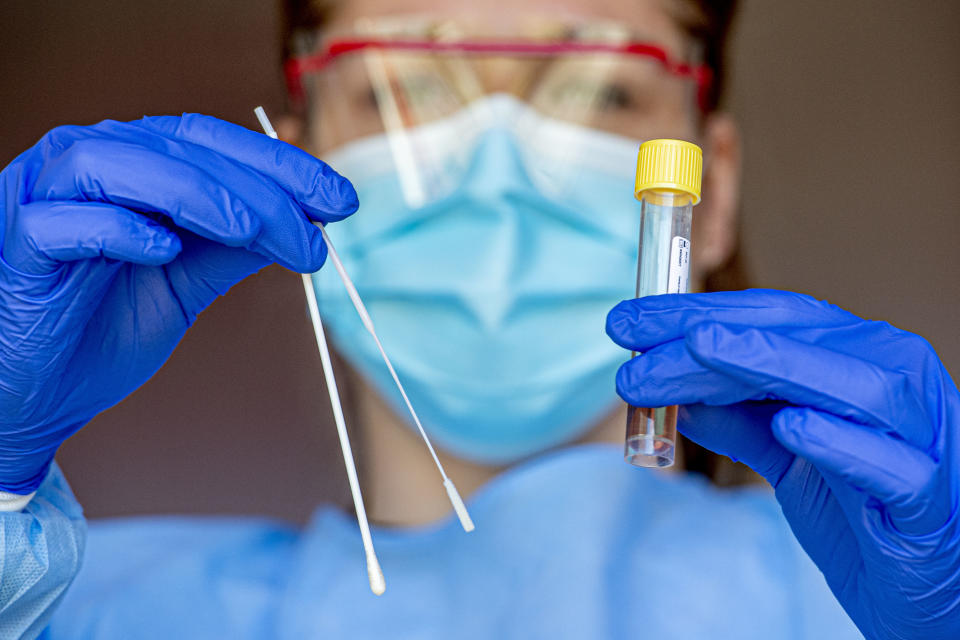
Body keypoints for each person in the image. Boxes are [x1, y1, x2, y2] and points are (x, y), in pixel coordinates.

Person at [0, 0, 957, 637]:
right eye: (404, 84)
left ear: (713, 186)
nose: (495, 164)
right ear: (283, 163)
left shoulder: (877, 599)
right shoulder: (81, 610)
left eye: (601, 89)